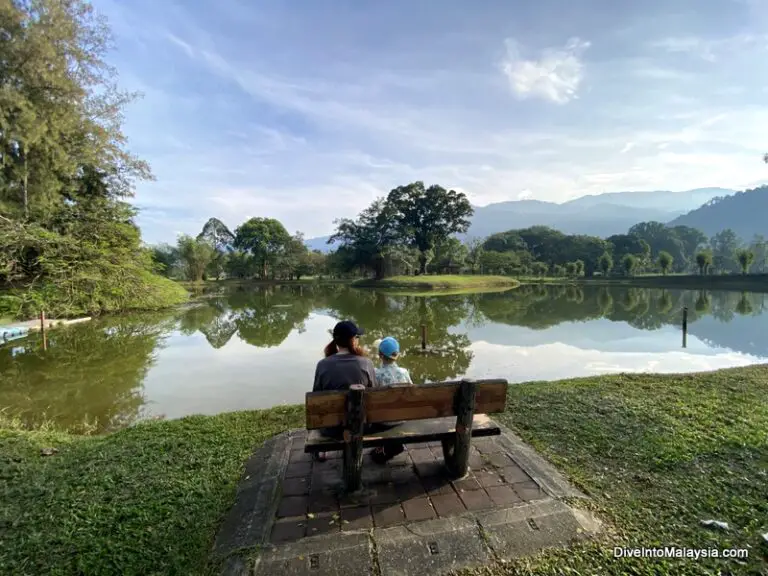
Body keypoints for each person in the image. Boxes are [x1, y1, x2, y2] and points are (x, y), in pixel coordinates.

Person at [312, 320, 375, 461]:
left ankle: (322, 450)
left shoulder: (322, 365)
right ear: (353, 340)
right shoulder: (366, 363)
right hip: (362, 427)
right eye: (357, 337)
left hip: (331, 429)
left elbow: (317, 396)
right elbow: (373, 394)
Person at [371, 336, 411, 464]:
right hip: (403, 418)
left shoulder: (375, 374)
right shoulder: (404, 372)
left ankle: (385, 448)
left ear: (380, 355)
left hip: (383, 421)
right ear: (397, 355)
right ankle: (389, 447)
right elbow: (412, 393)